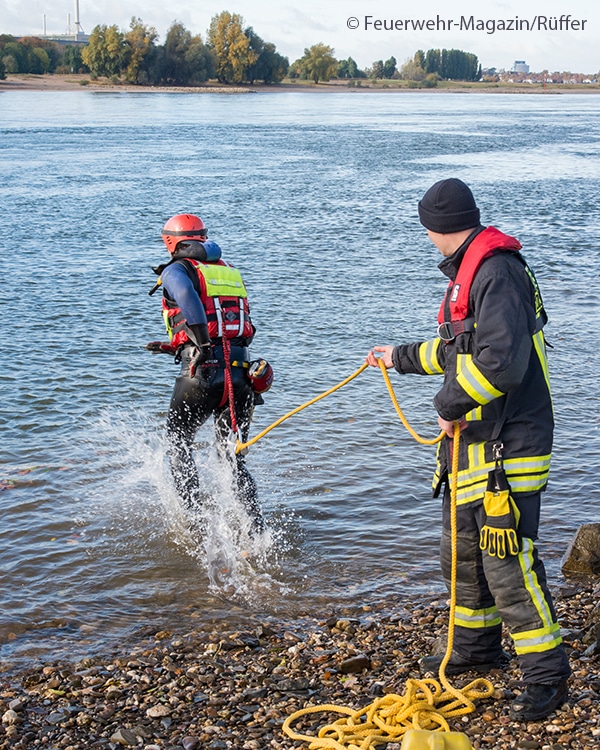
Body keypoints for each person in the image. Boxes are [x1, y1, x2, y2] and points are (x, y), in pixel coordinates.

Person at [366, 178, 570, 721]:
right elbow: (459, 349)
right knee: (461, 558)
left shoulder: (496, 271)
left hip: (509, 449)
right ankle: (476, 650)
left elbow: (501, 364)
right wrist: (398, 356)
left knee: (507, 567)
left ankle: (548, 676)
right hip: (473, 451)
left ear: (430, 228)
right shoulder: (473, 270)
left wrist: (448, 406)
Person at [147, 213, 272, 533]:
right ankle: (257, 531)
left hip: (201, 376)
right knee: (231, 457)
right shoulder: (227, 271)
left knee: (177, 443)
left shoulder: (178, 269)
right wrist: (174, 345)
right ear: (203, 238)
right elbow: (238, 329)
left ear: (171, 241)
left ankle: (196, 527)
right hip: (242, 378)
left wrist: (200, 344)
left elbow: (188, 300)